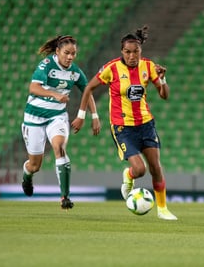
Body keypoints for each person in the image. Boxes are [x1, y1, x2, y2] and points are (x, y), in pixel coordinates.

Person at [71, 25, 177, 220]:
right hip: (123, 127)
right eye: (128, 52)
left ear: (140, 51)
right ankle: (129, 176)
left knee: (156, 168)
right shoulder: (111, 68)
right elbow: (88, 88)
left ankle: (162, 210)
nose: (132, 56)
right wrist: (83, 116)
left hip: (146, 124)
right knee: (140, 170)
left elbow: (164, 95)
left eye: (135, 51)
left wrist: (162, 80)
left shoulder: (148, 66)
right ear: (122, 52)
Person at [21, 35, 100, 210]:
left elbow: (87, 91)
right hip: (34, 118)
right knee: (35, 165)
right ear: (57, 51)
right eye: (67, 53)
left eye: (74, 53)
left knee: (59, 147)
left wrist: (94, 116)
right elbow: (33, 87)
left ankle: (65, 197)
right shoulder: (47, 65)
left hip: (57, 117)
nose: (70, 57)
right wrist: (55, 95)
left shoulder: (75, 72)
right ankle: (27, 176)